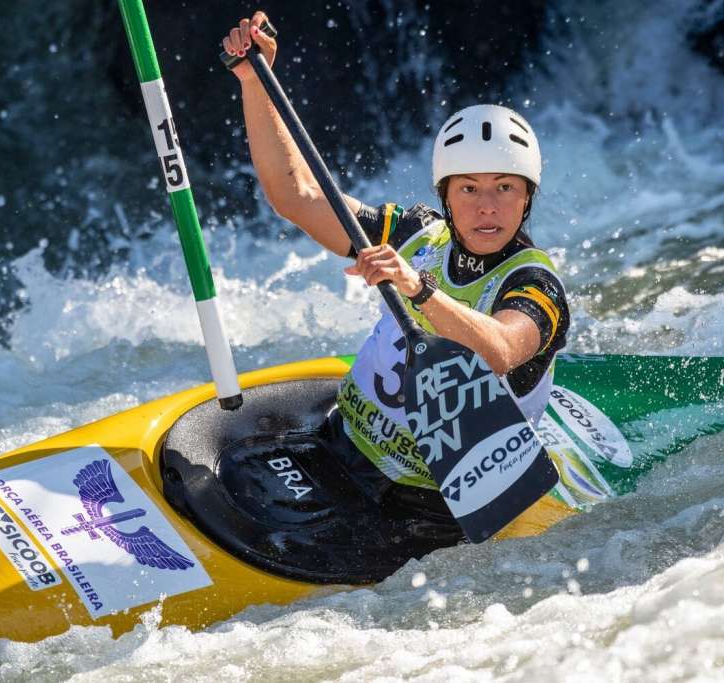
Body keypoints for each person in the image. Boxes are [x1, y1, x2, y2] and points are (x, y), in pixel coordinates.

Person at [223, 12, 573, 539]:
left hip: (427, 506)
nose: (487, 207)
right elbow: (299, 197)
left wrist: (418, 289)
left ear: (527, 199)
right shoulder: (416, 233)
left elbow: (501, 347)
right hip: (335, 447)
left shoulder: (535, 285)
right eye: (469, 189)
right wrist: (256, 84)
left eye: (505, 187)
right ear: (446, 196)